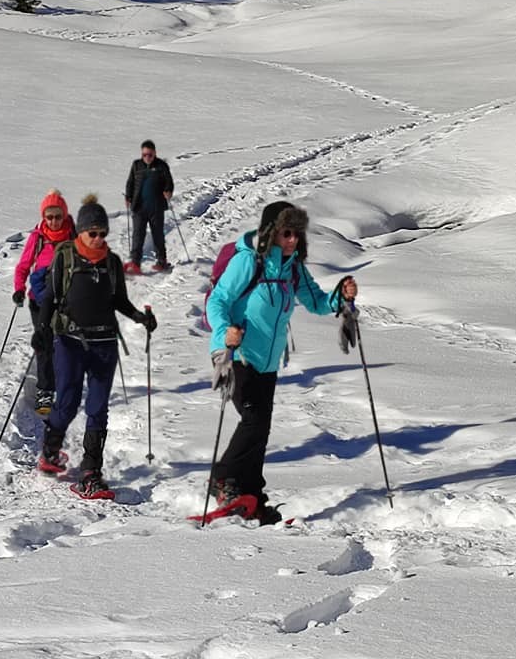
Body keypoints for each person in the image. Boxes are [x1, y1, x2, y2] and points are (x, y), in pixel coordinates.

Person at [206, 201, 358, 524]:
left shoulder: (293, 268)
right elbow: (219, 299)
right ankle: (224, 480)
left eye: (296, 234)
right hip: (237, 352)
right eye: (286, 233)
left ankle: (251, 494)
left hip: (269, 359)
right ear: (270, 233)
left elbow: (316, 301)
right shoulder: (249, 262)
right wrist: (225, 332)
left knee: (261, 427)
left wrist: (341, 297)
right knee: (254, 418)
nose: (291, 240)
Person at [34, 194, 157, 497]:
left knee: (98, 407)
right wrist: (42, 331)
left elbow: (118, 300)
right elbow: (49, 297)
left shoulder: (112, 263)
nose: (99, 238)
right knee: (67, 402)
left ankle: (91, 472)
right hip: (70, 341)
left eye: (103, 233)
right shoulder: (65, 257)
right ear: (82, 231)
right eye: (94, 233)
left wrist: (140, 318)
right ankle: (50, 451)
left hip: (104, 343)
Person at [13, 189, 76, 414]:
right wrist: (19, 289)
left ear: (65, 215)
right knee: (45, 346)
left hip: (67, 301)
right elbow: (23, 266)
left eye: (58, 216)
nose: (54, 221)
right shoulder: (37, 238)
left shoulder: (75, 238)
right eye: (49, 216)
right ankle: (45, 391)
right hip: (39, 300)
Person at [124, 139, 174, 274]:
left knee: (157, 235)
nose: (147, 157)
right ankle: (135, 263)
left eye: (150, 155)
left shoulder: (162, 166)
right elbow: (130, 183)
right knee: (137, 235)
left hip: (156, 208)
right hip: (139, 207)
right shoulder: (136, 165)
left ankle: (162, 261)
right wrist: (128, 197)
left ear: (155, 153)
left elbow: (169, 182)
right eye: (144, 155)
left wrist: (168, 191)